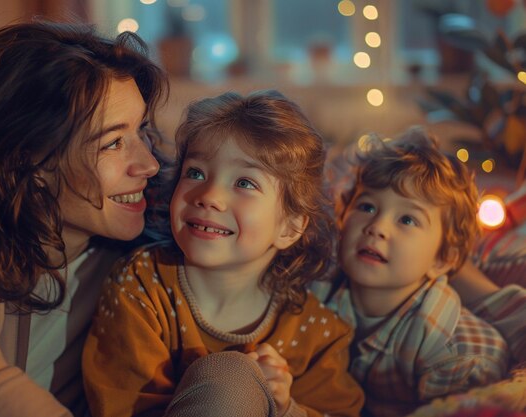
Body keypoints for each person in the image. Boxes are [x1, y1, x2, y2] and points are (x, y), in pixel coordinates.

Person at [0, 21, 169, 417]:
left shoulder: (145, 257)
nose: (148, 163)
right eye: (113, 142)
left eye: (141, 130)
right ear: (25, 159)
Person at [82, 90, 365, 417]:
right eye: (196, 173)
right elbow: (120, 405)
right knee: (230, 376)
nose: (209, 195)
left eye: (244, 183)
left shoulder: (319, 332)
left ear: (289, 227)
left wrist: (286, 408)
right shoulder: (141, 285)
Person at [312, 128, 509, 417]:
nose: (377, 227)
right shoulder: (319, 291)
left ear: (442, 259)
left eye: (407, 219)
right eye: (366, 206)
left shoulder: (455, 355)